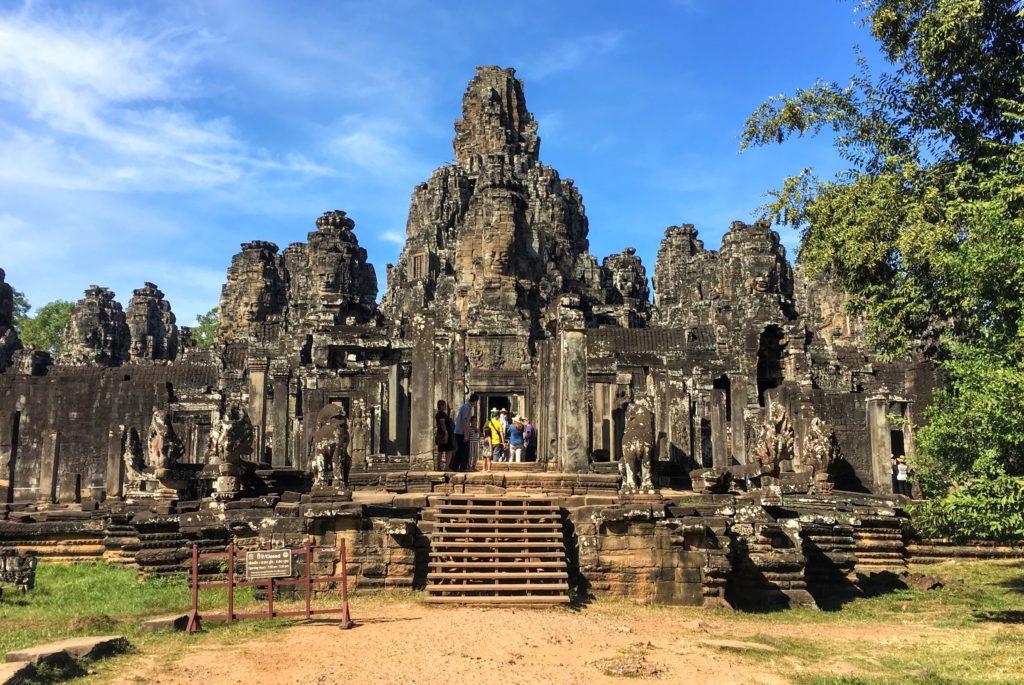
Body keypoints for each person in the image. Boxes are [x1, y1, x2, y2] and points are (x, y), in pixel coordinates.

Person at [452, 393, 478, 472]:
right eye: (476, 402)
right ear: (474, 401)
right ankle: (463, 467)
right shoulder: (467, 407)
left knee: (460, 450)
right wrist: (466, 434)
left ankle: (456, 467)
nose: (476, 404)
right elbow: (465, 420)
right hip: (461, 432)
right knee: (464, 450)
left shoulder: (467, 406)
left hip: (460, 431)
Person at [434, 400, 455, 471]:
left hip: (440, 433)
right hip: (444, 434)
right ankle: (446, 467)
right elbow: (442, 423)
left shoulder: (439, 414)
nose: (445, 406)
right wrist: (446, 432)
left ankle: (438, 467)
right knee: (449, 450)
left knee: (441, 451)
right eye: (444, 405)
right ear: (441, 406)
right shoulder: (441, 414)